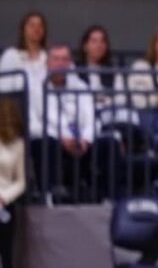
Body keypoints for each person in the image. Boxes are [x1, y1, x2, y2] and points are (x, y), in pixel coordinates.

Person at [31, 45, 95, 196]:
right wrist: (62, 138)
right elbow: (32, 125)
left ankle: (106, 198)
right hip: (52, 139)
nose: (60, 63)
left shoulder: (81, 86)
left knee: (109, 143)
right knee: (44, 143)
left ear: (70, 63)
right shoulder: (35, 87)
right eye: (56, 59)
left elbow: (90, 119)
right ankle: (50, 195)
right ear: (47, 63)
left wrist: (85, 139)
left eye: (65, 59)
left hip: (79, 141)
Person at [0, 99, 25, 268]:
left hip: (4, 206)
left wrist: (4, 198)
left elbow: (21, 182)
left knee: (5, 259)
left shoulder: (17, 144)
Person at [0, 12, 48, 112]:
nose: (36, 29)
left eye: (40, 25)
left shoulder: (50, 57)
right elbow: (4, 89)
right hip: (19, 112)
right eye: (32, 25)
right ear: (23, 29)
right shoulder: (11, 55)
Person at [76, 25, 121, 109]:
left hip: (109, 112)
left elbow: (121, 98)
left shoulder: (113, 70)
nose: (99, 45)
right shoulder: (74, 69)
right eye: (94, 41)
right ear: (85, 46)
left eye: (102, 41)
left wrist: (104, 101)